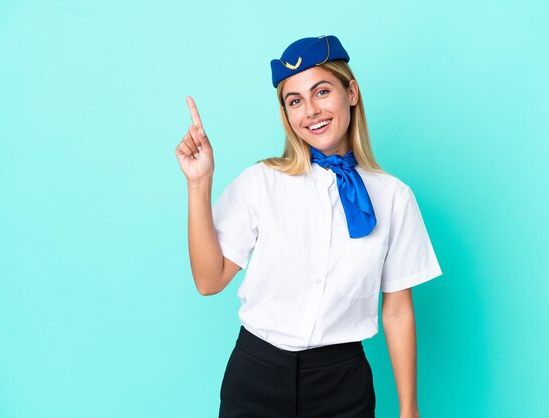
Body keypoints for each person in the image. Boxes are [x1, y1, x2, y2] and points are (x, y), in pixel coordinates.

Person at [175, 35, 443, 418]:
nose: (311, 111)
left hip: (342, 385)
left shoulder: (395, 197)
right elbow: (209, 280)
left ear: (351, 92)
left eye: (322, 91)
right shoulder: (261, 182)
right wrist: (199, 184)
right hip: (255, 376)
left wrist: (408, 409)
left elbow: (398, 311)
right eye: (295, 100)